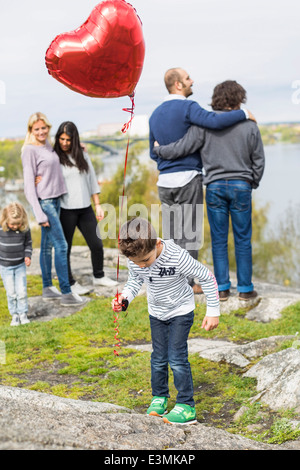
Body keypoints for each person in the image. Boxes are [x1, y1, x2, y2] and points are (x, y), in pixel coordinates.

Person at [153, 80, 265, 301]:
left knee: (219, 239)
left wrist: (159, 150)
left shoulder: (204, 126)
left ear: (217, 100)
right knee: (243, 239)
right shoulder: (250, 126)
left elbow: (182, 148)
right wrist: (251, 182)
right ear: (238, 99)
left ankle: (222, 288)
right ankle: (245, 290)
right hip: (241, 185)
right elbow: (258, 161)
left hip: (214, 187)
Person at [112, 217, 220, 425]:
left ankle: (186, 406)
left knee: (177, 358)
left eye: (146, 261)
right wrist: (124, 298)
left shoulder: (176, 256)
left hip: (181, 310)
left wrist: (213, 310)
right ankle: (159, 397)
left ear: (158, 244)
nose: (142, 266)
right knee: (158, 358)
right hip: (157, 313)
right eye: (138, 263)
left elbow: (206, 276)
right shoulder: (135, 257)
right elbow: (135, 281)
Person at [21, 112, 87, 307]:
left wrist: (78, 147)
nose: (41, 132)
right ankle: (66, 292)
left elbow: (57, 157)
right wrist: (39, 214)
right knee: (62, 245)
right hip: (46, 203)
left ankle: (48, 288)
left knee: (47, 246)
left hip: (56, 199)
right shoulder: (29, 150)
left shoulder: (48, 146)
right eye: (36, 129)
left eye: (44, 128)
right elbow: (28, 186)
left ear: (48, 128)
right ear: (31, 130)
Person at [52, 121, 118, 294]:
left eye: (68, 140)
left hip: (85, 208)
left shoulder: (82, 154)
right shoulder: (54, 156)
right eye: (62, 139)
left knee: (96, 244)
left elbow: (91, 179)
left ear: (75, 140)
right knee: (65, 248)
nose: (65, 143)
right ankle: (70, 283)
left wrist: (97, 205)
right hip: (66, 210)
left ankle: (99, 276)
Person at [0, 202, 32, 326]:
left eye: (18, 223)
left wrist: (27, 255)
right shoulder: (1, 229)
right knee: (11, 292)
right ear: (5, 220)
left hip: (20, 266)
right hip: (5, 267)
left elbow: (28, 243)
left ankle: (23, 313)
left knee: (22, 291)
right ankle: (14, 315)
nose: (15, 226)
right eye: (12, 224)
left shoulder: (24, 229)